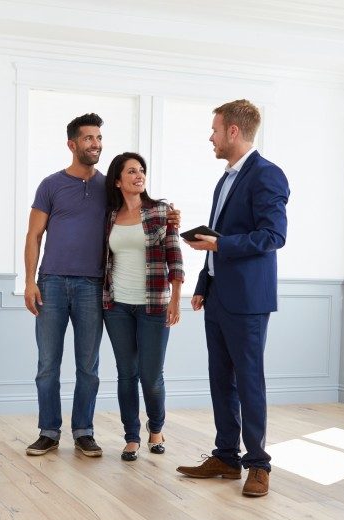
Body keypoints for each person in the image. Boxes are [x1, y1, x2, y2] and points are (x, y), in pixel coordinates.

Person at [23, 114, 180, 458]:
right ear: (72, 144)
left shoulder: (108, 188)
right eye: (88, 138)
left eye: (98, 137)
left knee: (88, 366)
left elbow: (139, 212)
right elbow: (34, 235)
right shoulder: (50, 185)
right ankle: (48, 431)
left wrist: (170, 216)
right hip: (51, 283)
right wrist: (30, 281)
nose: (96, 143)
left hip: (93, 287)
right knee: (47, 364)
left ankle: (84, 431)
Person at [176, 99, 289, 497]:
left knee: (249, 380)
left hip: (248, 299)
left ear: (234, 132)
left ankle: (258, 464)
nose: (211, 136)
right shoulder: (225, 179)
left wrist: (220, 245)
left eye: (215, 129)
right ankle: (226, 456)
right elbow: (218, 239)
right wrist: (203, 285)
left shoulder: (267, 175)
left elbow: (273, 236)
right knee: (220, 380)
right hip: (218, 295)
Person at [102, 152, 184, 462]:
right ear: (118, 180)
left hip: (154, 305)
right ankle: (132, 437)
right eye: (132, 171)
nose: (139, 175)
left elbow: (175, 258)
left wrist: (176, 300)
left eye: (142, 171)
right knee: (126, 374)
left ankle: (157, 428)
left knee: (151, 376)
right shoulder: (109, 216)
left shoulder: (161, 212)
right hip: (116, 306)